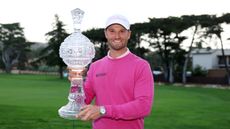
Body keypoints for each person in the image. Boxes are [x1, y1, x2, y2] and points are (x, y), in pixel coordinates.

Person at [68, 14, 154, 129]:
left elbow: (143, 107)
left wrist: (103, 110)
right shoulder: (95, 66)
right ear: (106, 33)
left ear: (129, 34)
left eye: (122, 31)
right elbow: (82, 102)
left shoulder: (141, 66)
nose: (117, 36)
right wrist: (75, 82)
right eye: (112, 31)